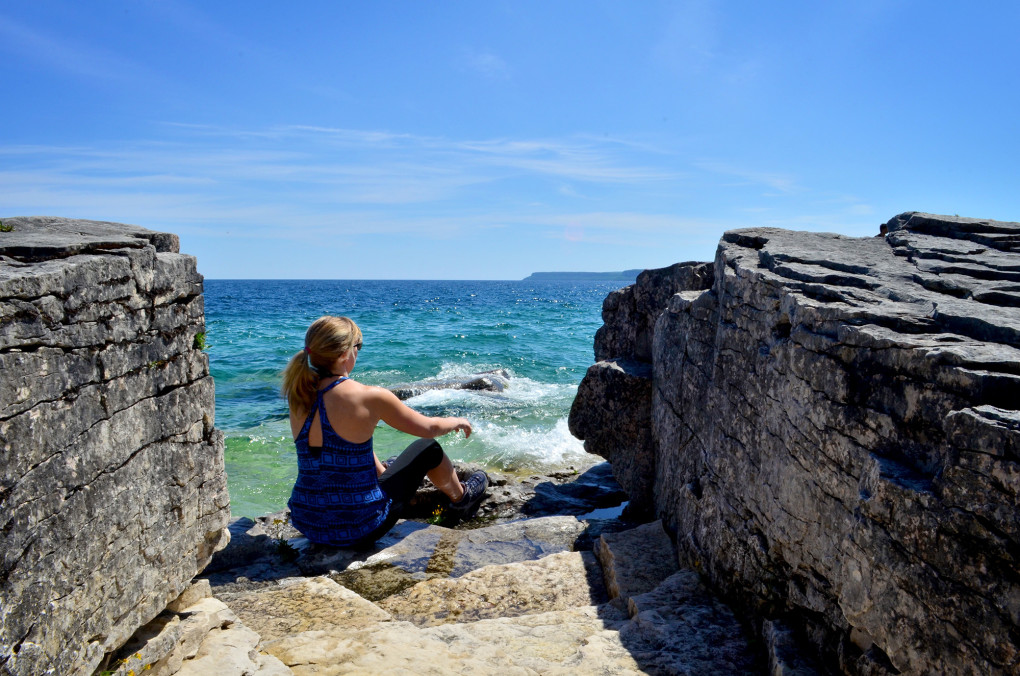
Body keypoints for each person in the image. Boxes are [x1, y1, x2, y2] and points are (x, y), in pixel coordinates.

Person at [281, 315, 488, 548]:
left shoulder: (299, 393)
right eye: (357, 346)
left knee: (373, 457)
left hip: (310, 524)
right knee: (428, 449)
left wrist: (382, 472)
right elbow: (429, 428)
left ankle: (392, 483)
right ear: (343, 354)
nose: (358, 352)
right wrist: (455, 420)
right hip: (360, 528)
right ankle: (461, 498)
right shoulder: (369, 396)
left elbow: (345, 448)